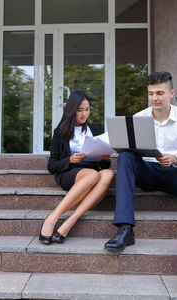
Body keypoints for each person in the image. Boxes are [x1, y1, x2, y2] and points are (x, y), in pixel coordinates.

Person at [104, 71, 177, 295]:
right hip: (148, 171)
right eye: (151, 93)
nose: (155, 98)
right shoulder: (139, 117)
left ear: (171, 93)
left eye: (160, 93)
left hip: (175, 173)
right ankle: (125, 229)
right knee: (125, 157)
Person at [40, 90, 114, 245]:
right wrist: (70, 160)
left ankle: (70, 221)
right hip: (69, 173)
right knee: (93, 175)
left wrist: (105, 159)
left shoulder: (94, 130)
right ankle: (52, 218)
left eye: (87, 110)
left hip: (91, 173)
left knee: (108, 174)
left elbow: (102, 166)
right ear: (71, 110)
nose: (84, 114)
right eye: (80, 110)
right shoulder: (60, 132)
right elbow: (52, 166)